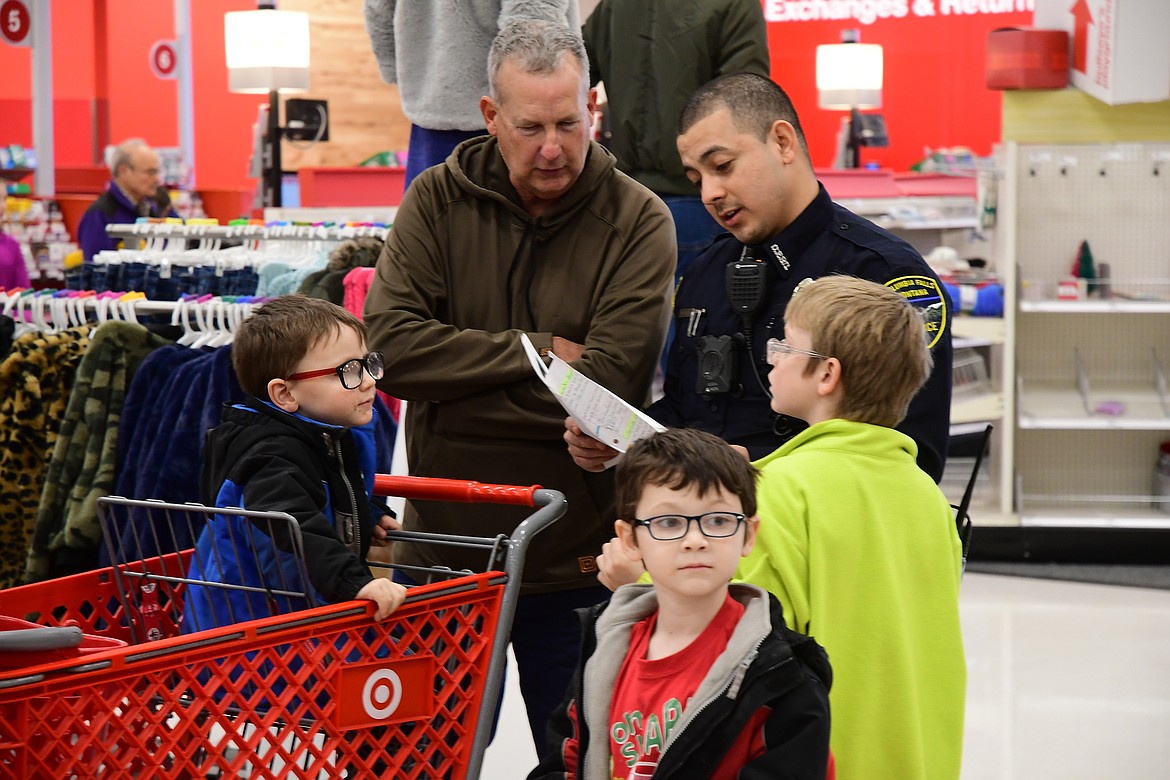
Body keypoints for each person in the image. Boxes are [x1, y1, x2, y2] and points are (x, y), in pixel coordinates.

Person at [362, 19, 676, 754]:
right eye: (530, 126)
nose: (552, 147)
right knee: (414, 764)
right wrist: (535, 352)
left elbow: (603, 388)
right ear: (490, 117)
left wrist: (454, 381)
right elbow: (387, 352)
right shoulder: (435, 202)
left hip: (575, 562)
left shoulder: (638, 221)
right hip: (439, 558)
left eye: (569, 123)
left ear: (591, 108)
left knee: (580, 764)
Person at [565, 72, 953, 483]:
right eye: (696, 179)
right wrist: (623, 437)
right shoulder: (704, 272)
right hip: (706, 532)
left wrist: (757, 467)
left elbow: (913, 455)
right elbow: (683, 409)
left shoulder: (883, 275)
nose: (709, 193)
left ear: (782, 142)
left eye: (722, 166)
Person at [739, 275, 967, 780]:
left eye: (786, 345)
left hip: (821, 759)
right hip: (920, 756)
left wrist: (637, 580)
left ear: (827, 374)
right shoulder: (926, 496)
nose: (772, 357)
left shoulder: (780, 489)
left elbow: (735, 633)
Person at [529, 427, 832, 780]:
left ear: (748, 535)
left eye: (718, 520)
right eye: (669, 522)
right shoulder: (604, 644)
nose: (695, 540)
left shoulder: (783, 675)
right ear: (630, 539)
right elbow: (567, 759)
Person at [182, 295, 407, 634]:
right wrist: (353, 582)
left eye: (367, 362)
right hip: (249, 635)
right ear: (285, 394)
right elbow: (291, 525)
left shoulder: (325, 436)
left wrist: (365, 512)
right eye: (348, 371)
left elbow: (322, 490)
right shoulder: (269, 457)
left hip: (295, 624)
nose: (369, 380)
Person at [582, 0, 768, 285]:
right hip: (701, 200)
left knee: (637, 322)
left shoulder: (612, 6)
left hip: (627, 202)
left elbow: (574, 72)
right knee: (699, 322)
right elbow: (746, 102)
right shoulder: (734, 4)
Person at [363, 0, 580, 188]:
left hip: (434, 107)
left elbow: (377, 9)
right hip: (517, 115)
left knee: (430, 223)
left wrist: (400, 71)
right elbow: (534, 24)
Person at [77, 138, 177, 262]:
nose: (157, 179)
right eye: (150, 172)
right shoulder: (100, 215)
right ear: (123, 171)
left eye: (157, 172)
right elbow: (97, 273)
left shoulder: (158, 207)